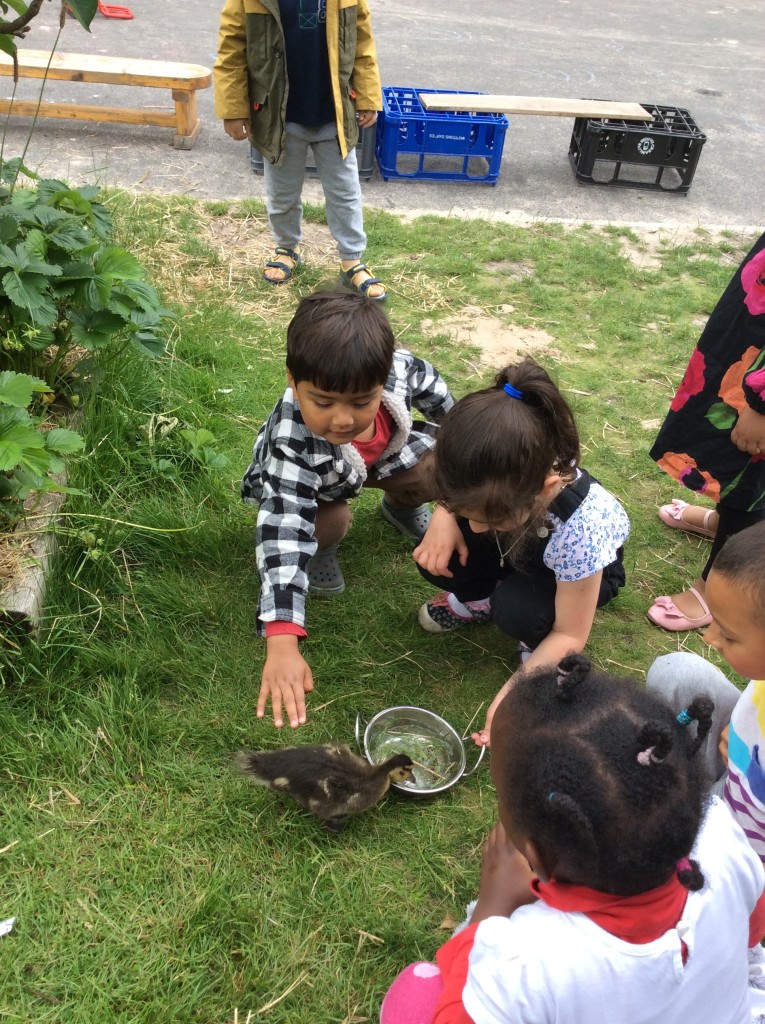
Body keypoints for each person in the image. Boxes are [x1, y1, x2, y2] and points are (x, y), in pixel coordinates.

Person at [380, 654, 765, 1024]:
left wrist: (491, 910)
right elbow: (750, 935)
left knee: (417, 996)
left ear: (537, 858)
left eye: (500, 792)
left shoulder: (526, 963)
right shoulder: (724, 839)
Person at [242, 290, 453, 729]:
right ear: (292, 380)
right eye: (323, 402)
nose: (342, 419)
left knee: (439, 463)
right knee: (328, 522)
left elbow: (438, 395)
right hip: (316, 488)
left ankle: (400, 506)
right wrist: (282, 641)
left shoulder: (396, 367)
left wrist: (452, 503)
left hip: (374, 462)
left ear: (383, 377)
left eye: (361, 402)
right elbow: (284, 527)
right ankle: (323, 549)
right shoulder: (291, 440)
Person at [412, 358, 630, 745]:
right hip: (518, 545)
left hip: (577, 576)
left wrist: (514, 695)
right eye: (469, 513)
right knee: (439, 553)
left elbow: (570, 632)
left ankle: (532, 643)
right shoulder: (484, 464)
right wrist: (444, 516)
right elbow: (466, 503)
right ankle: (479, 599)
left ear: (545, 489)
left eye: (490, 519)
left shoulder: (582, 527)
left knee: (517, 609)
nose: (476, 528)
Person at [213, 0, 387, 299]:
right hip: (279, 117)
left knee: (344, 193)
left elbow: (362, 44)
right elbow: (231, 50)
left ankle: (351, 260)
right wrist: (234, 108)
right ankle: (286, 248)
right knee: (282, 192)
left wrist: (369, 96)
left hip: (333, 112)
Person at [647, 230, 765, 631]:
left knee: (747, 480)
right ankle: (722, 527)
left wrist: (762, 405)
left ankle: (718, 583)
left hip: (758, 386)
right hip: (749, 336)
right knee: (727, 458)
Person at [647, 520, 765, 859]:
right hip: (736, 778)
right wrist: (744, 731)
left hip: (740, 844)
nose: (710, 638)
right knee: (676, 672)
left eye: (728, 635)